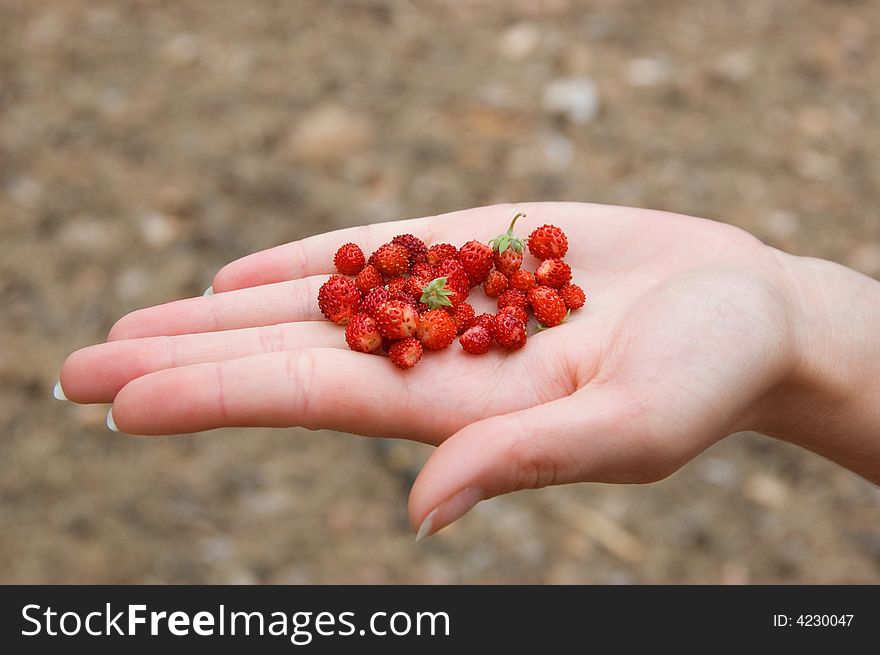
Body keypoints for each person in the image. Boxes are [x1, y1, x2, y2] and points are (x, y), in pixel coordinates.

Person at [55, 202, 880, 540]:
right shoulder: (419, 293)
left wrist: (794, 316)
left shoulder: (489, 292)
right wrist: (799, 313)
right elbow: (399, 290)